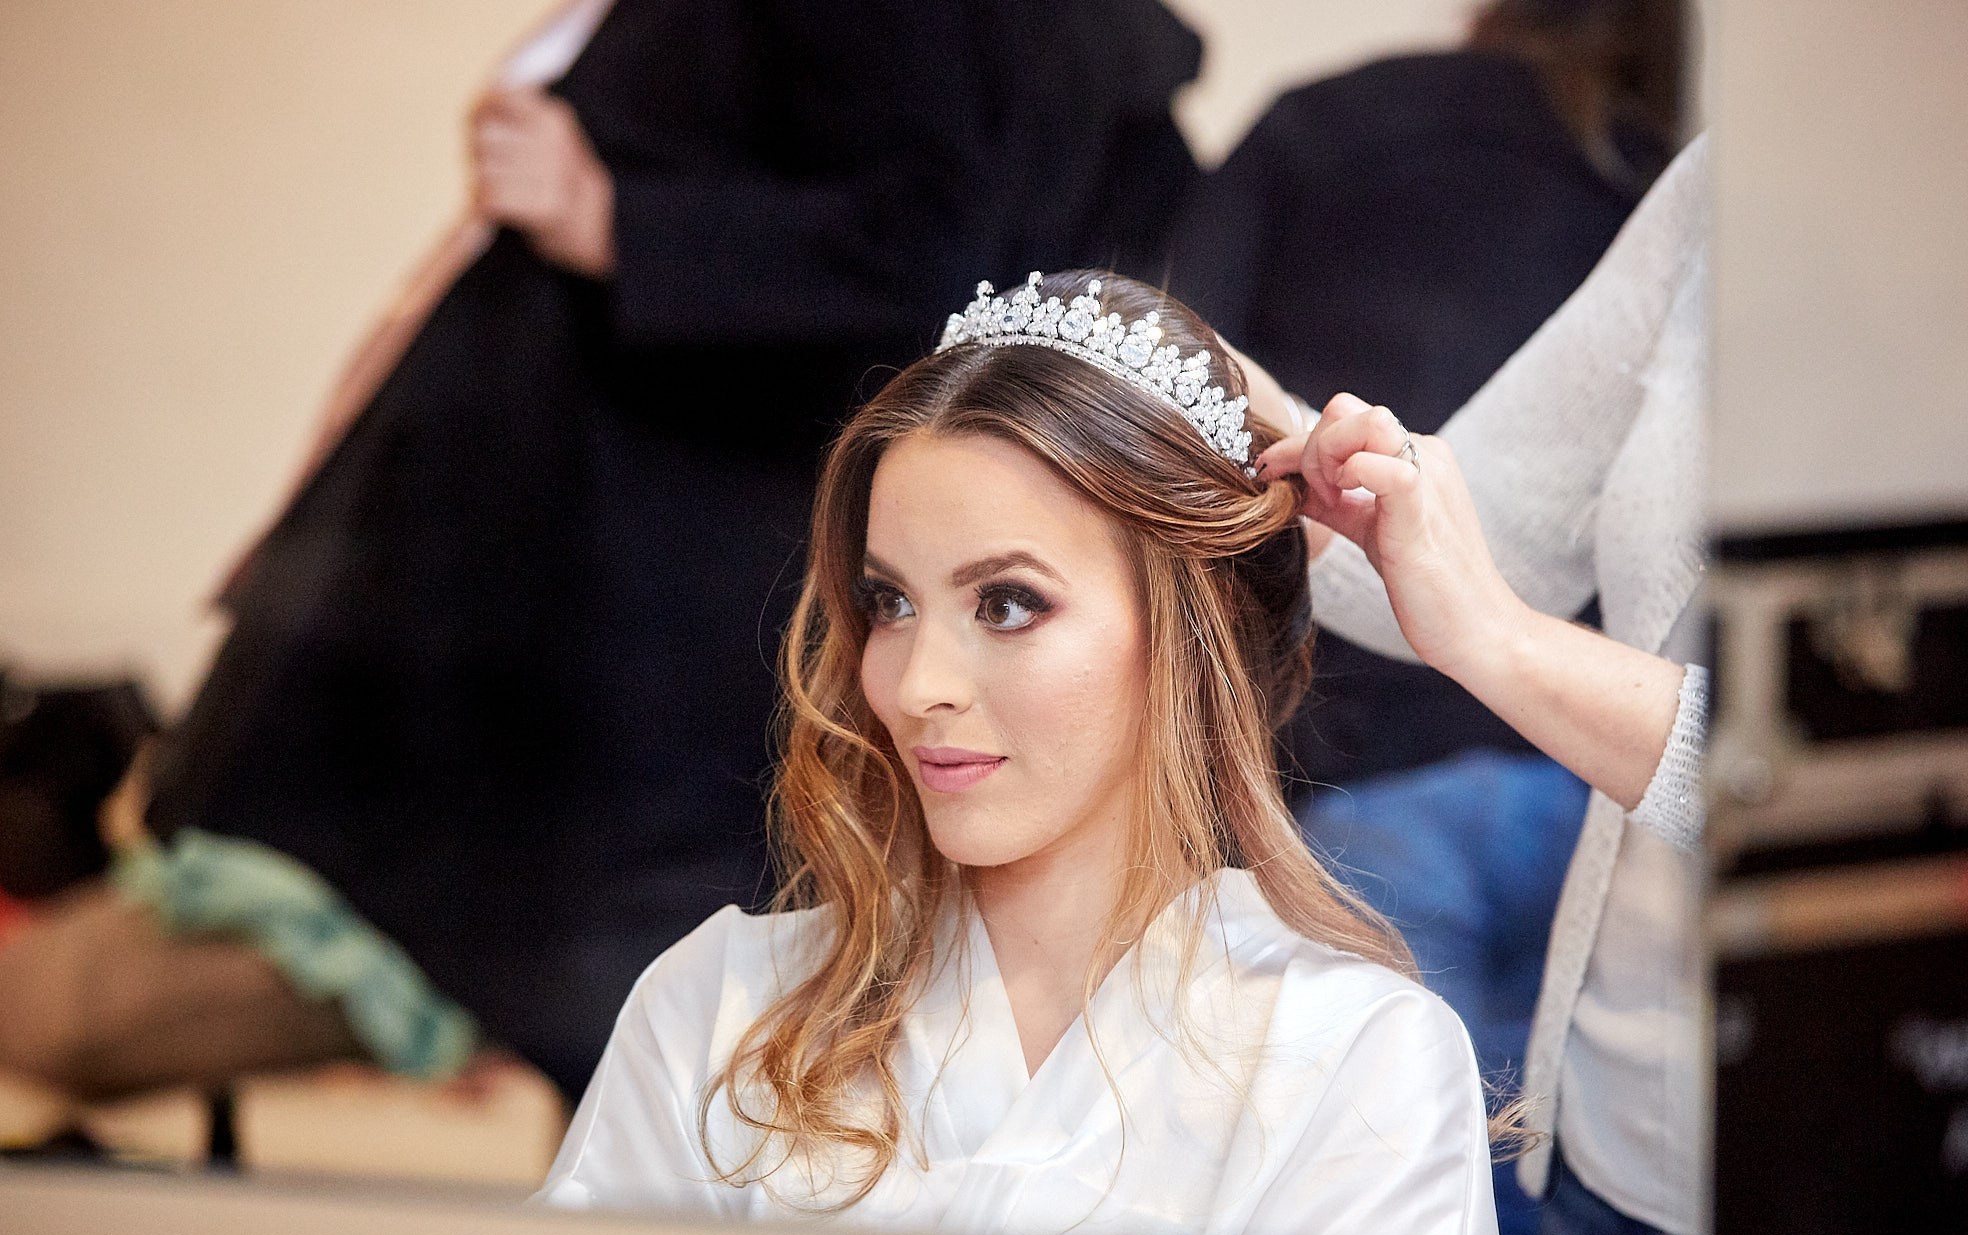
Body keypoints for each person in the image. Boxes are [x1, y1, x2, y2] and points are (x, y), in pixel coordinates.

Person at [144, 1, 1206, 1096]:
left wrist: (609, 216)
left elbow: (927, 250)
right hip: (635, 624)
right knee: (656, 1027)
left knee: (669, 1013)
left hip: (670, 631)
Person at [536, 271, 1502, 1235]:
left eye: (1005, 604)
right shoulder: (718, 1009)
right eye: (889, 603)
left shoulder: (1351, 1058)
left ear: (1189, 628)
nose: (916, 685)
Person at [1254, 135, 1709, 1235]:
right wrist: (1239, 428)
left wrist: (1501, 643)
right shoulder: (1726, 184)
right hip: (1615, 1127)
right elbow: (1471, 540)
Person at [1173, 0, 1685, 790]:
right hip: (1567, 763)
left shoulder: (1320, 122)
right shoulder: (1658, 187)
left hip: (1329, 724)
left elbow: (1183, 350)